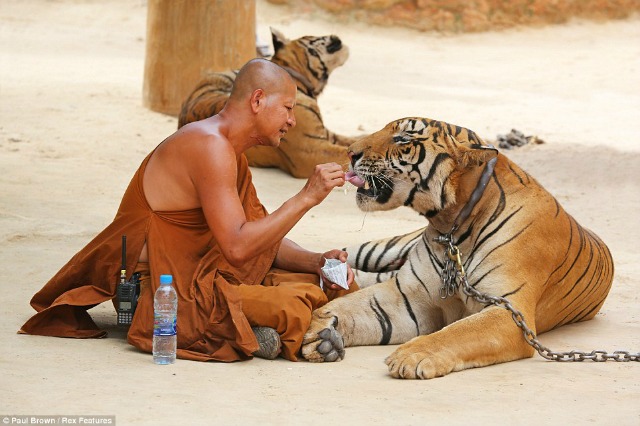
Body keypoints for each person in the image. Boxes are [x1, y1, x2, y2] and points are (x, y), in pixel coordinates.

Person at [19, 58, 358, 362]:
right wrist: (305, 198)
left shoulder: (231, 154)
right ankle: (242, 333)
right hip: (166, 292)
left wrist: (317, 261)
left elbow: (261, 238)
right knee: (294, 305)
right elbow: (239, 247)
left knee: (327, 282)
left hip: (205, 275)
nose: (292, 121)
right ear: (257, 100)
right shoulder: (208, 146)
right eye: (287, 108)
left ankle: (246, 332)